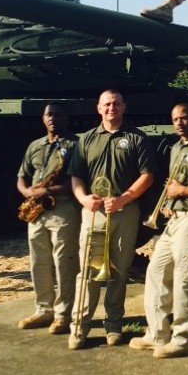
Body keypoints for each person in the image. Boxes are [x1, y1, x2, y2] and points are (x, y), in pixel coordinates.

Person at [129, 103, 188, 358]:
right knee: (156, 273)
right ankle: (157, 334)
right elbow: (175, 184)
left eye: (184, 118)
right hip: (175, 220)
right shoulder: (175, 148)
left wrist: (181, 193)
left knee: (186, 281)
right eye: (175, 119)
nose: (180, 123)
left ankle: (184, 339)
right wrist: (170, 204)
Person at [67, 89, 157, 349]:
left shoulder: (137, 138)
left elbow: (147, 175)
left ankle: (113, 325)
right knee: (88, 270)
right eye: (107, 104)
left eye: (116, 104)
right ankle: (79, 328)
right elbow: (76, 175)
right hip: (93, 211)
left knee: (119, 269)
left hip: (124, 210)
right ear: (98, 108)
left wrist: (123, 199)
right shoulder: (85, 140)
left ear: (124, 107)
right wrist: (83, 198)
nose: (111, 108)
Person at [16, 102, 80, 335]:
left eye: (58, 114)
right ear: (43, 119)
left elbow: (80, 179)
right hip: (37, 211)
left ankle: (64, 315)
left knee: (64, 262)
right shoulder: (35, 146)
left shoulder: (76, 144)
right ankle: (44, 310)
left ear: (66, 117)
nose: (53, 118)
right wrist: (27, 193)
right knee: (38, 261)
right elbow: (22, 177)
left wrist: (50, 191)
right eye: (49, 114)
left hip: (63, 208)